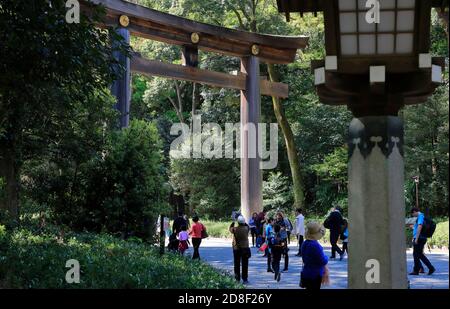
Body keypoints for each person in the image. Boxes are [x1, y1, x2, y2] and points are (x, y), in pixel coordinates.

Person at [300, 221, 329, 289]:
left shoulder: (305, 243)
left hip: (306, 272)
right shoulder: (315, 245)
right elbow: (323, 260)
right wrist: (326, 257)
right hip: (315, 274)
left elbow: (304, 259)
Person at [409, 207, 435, 275]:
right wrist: (414, 227)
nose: (413, 215)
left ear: (414, 211)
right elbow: (418, 227)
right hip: (422, 237)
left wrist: (416, 238)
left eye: (413, 214)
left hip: (419, 238)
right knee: (419, 254)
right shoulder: (422, 216)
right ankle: (430, 268)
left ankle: (416, 270)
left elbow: (420, 226)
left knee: (416, 254)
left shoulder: (420, 216)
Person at [229, 215, 251, 284]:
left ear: (238, 222)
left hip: (236, 248)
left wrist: (233, 222)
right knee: (245, 264)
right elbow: (247, 225)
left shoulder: (235, 229)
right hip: (245, 248)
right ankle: (245, 279)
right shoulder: (246, 228)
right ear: (243, 222)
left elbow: (230, 228)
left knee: (237, 263)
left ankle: (237, 278)